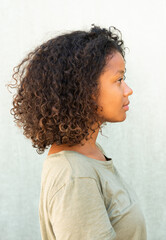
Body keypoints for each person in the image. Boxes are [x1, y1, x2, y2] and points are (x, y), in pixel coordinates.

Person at [9, 25, 147, 239]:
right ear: (86, 90)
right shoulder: (75, 176)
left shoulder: (89, 155)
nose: (128, 90)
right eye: (119, 80)